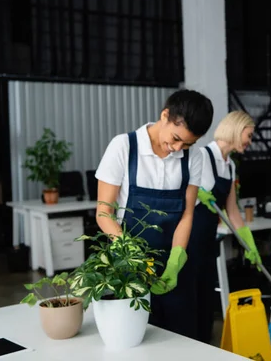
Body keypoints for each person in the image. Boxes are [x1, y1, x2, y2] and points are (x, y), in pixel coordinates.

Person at [95, 89, 213, 337]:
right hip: (129, 264)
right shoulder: (124, 146)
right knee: (135, 336)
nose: (178, 148)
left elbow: (187, 215)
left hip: (174, 267)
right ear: (165, 115)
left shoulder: (195, 157)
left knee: (181, 337)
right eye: (176, 137)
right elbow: (104, 212)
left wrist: (176, 259)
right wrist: (129, 252)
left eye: (188, 143)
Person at [195, 110, 262, 343]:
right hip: (189, 238)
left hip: (207, 239)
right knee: (190, 298)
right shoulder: (201, 156)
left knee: (205, 298)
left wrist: (248, 243)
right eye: (249, 135)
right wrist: (195, 193)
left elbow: (232, 210)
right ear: (236, 129)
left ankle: (204, 347)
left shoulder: (230, 166)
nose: (249, 141)